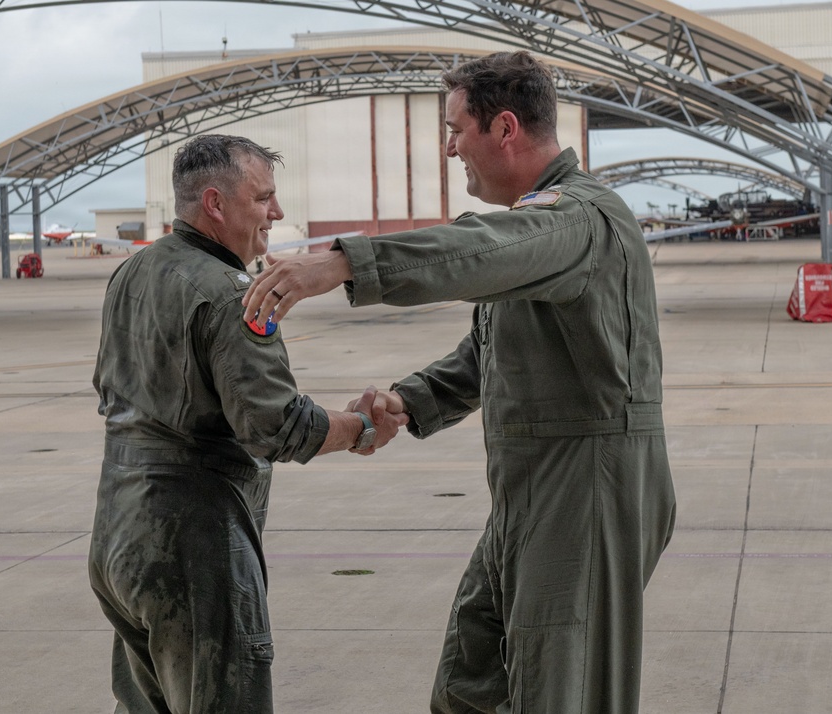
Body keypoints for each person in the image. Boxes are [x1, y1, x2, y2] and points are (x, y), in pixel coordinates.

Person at [242, 52, 677, 714]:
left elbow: (476, 249)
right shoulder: (541, 227)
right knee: (471, 674)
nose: (449, 149)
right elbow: (492, 351)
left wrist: (343, 263)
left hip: (588, 485)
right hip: (533, 486)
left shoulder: (574, 218)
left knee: (560, 687)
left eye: (455, 130)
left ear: (504, 128)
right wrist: (409, 400)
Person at [89, 133, 407, 714]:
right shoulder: (231, 294)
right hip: (192, 545)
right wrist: (359, 427)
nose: (276, 213)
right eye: (263, 198)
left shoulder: (132, 272)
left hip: (117, 534)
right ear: (215, 204)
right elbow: (277, 426)